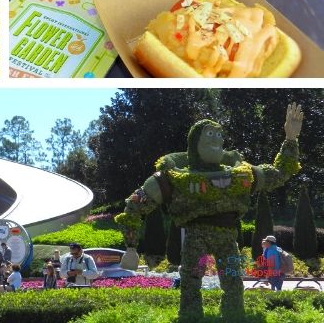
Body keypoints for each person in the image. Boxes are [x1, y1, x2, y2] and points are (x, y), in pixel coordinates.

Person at [115, 104, 304, 322]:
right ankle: (190, 316)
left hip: (228, 238)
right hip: (196, 238)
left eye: (219, 135)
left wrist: (290, 139)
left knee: (233, 278)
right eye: (210, 135)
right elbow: (134, 206)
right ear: (195, 142)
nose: (217, 140)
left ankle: (234, 315)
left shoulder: (241, 175)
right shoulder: (173, 178)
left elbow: (279, 173)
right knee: (191, 278)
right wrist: (130, 247)